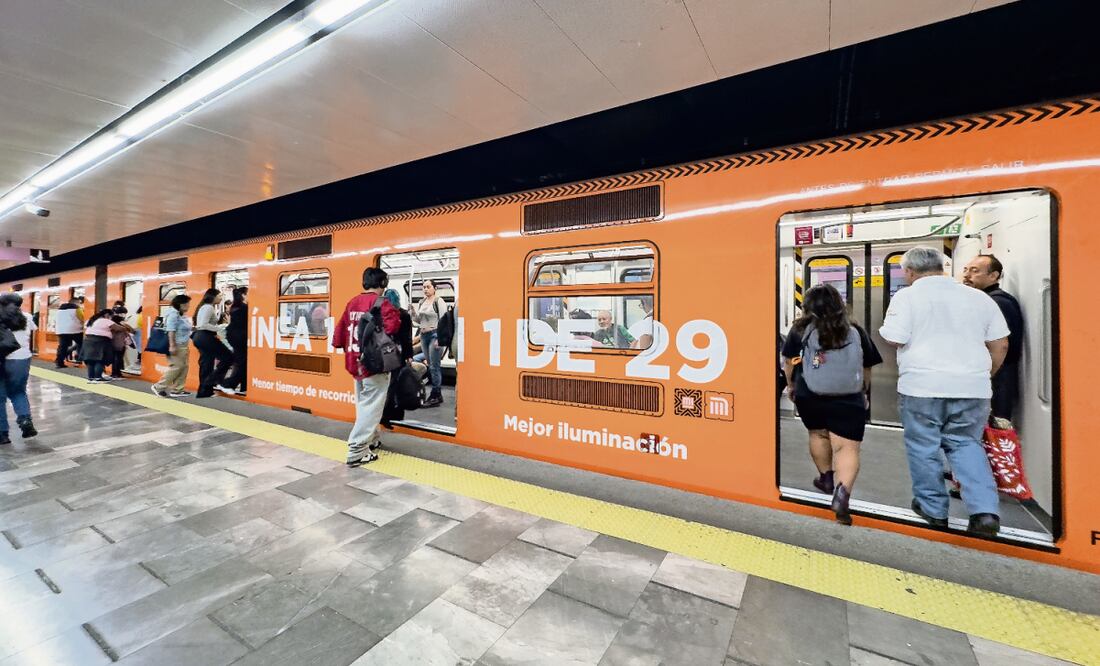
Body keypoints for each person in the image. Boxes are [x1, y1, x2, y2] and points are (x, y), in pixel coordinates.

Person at [879, 246, 1008, 536]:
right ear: (942, 267)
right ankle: (985, 512)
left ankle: (933, 509)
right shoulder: (979, 299)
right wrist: (983, 377)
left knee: (924, 447)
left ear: (909, 272)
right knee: (966, 444)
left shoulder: (907, 297)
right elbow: (1000, 345)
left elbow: (895, 337)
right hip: (973, 389)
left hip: (922, 388)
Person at [781, 285, 882, 525]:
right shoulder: (854, 329)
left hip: (809, 393)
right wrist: (863, 390)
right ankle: (842, 492)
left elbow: (790, 361)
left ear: (807, 305)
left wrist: (792, 385)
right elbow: (866, 365)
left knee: (818, 434)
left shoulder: (800, 329)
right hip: (848, 397)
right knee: (847, 448)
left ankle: (826, 478)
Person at [332, 267, 400, 466]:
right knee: (372, 405)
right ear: (382, 284)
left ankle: (372, 439)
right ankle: (357, 448)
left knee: (365, 404)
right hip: (374, 363)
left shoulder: (352, 302)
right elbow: (393, 327)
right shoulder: (382, 303)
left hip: (355, 363)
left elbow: (338, 334)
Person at [962, 254, 1024, 422]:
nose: (967, 275)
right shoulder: (982, 299)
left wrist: (986, 375)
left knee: (994, 433)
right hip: (989, 377)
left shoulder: (996, 302)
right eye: (966, 270)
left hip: (996, 377)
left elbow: (1001, 346)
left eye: (975, 271)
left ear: (994, 276)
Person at [0, 294, 37, 443]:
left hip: (2, 359)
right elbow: (32, 331)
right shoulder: (27, 316)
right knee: (18, 392)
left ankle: (2, 434)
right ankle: (25, 420)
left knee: (0, 398)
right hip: (21, 359)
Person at [380, 288, 415, 429]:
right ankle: (391, 415)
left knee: (382, 386)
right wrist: (409, 356)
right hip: (397, 354)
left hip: (382, 354)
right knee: (394, 385)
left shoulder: (380, 313)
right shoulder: (404, 315)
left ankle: (381, 414)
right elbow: (407, 339)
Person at [191, 288, 233, 399]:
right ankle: (211, 382)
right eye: (219, 296)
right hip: (205, 336)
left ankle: (204, 391)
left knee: (206, 363)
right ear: (212, 297)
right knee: (228, 357)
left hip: (199, 337)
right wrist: (219, 327)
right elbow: (203, 324)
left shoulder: (204, 307)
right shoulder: (208, 307)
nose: (221, 298)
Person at [151, 294, 193, 398]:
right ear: (181, 304)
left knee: (184, 367)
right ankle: (159, 386)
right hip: (177, 344)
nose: (189, 306)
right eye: (187, 304)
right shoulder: (173, 314)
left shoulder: (180, 314)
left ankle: (178, 390)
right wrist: (172, 345)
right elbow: (171, 330)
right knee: (176, 367)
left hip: (183, 344)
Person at [413, 279, 445, 407]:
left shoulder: (438, 301)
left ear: (434, 288)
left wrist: (440, 339)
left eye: (428, 286)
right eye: (424, 287)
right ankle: (435, 394)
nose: (425, 289)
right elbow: (418, 321)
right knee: (430, 363)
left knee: (434, 366)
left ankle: (436, 394)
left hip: (434, 334)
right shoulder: (421, 302)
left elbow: (442, 320)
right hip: (423, 335)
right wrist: (413, 314)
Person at [81, 309, 129, 383]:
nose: (111, 318)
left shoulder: (91, 320)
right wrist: (125, 326)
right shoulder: (106, 321)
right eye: (111, 316)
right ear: (107, 314)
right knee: (100, 359)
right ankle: (98, 377)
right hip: (101, 341)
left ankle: (91, 377)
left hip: (88, 341)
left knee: (90, 360)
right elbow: (120, 328)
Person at [217, 287, 249, 396]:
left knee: (242, 362)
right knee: (243, 362)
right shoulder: (244, 308)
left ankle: (244, 387)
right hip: (239, 338)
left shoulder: (235, 307)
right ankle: (226, 384)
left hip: (233, 336)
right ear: (243, 295)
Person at [54, 296, 85, 367]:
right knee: (82, 343)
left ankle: (59, 362)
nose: (80, 304)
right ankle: (79, 360)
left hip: (61, 331)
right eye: (79, 303)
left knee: (62, 346)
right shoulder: (77, 309)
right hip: (75, 330)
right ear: (76, 302)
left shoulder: (59, 310)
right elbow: (82, 318)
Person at [123, 306, 143, 375]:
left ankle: (134, 364)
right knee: (140, 349)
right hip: (140, 332)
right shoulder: (142, 315)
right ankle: (137, 364)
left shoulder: (138, 315)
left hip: (137, 332)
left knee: (139, 349)